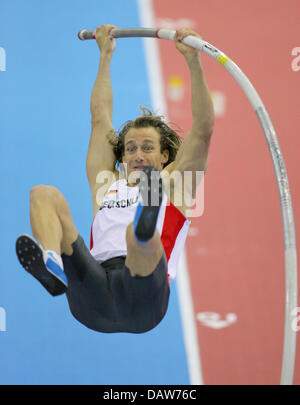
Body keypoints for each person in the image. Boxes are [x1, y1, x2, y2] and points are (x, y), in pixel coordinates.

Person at [15, 25, 214, 333]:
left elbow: (202, 129)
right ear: (121, 157)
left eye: (147, 148)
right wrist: (105, 55)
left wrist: (193, 61)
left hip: (144, 299)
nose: (137, 154)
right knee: (43, 194)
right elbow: (100, 119)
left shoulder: (177, 183)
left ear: (164, 157)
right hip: (92, 296)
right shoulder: (107, 184)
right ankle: (53, 265)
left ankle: (145, 223)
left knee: (138, 236)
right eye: (131, 148)